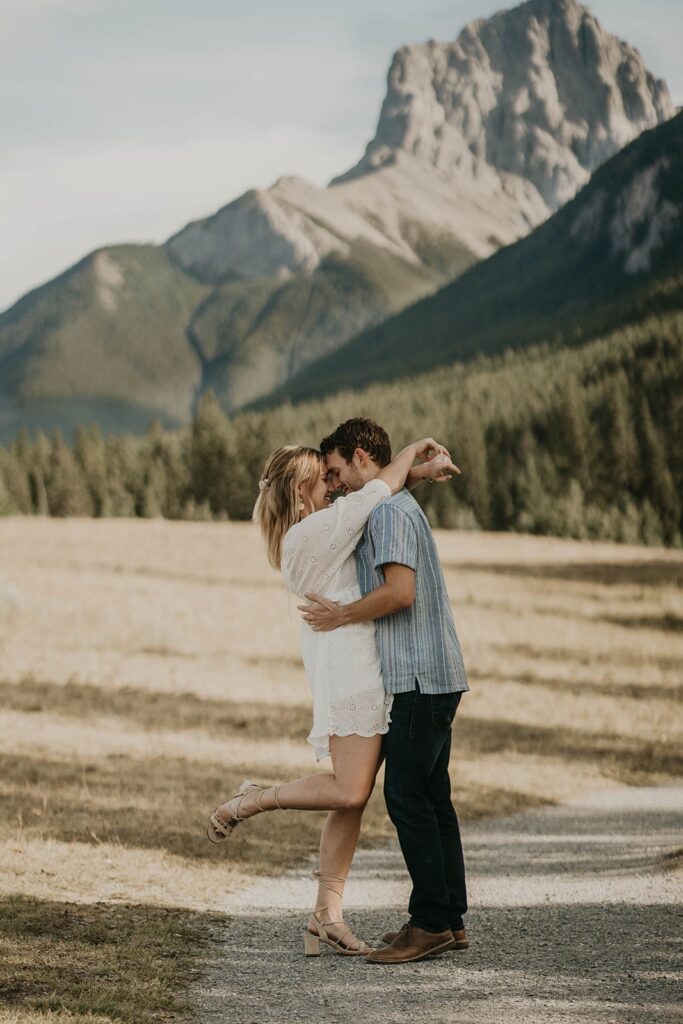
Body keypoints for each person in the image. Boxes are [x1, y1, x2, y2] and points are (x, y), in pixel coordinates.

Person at [206, 435, 458, 958]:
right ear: (302, 489)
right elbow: (375, 492)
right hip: (352, 673)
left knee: (354, 797)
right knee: (348, 791)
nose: (333, 487)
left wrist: (419, 474)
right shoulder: (313, 532)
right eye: (324, 480)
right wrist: (412, 453)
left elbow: (373, 493)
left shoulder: (315, 529)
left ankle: (327, 915)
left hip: (360, 667)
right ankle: (253, 798)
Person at [300, 418, 469, 965]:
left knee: (405, 795)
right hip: (433, 675)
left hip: (419, 678)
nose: (336, 483)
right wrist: (418, 469)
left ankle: (429, 924)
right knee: (433, 796)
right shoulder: (391, 505)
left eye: (335, 471)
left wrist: (343, 614)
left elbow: (400, 593)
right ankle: (449, 918)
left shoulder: (390, 514)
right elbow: (385, 490)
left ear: (359, 458)